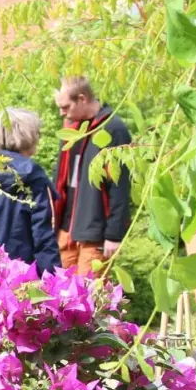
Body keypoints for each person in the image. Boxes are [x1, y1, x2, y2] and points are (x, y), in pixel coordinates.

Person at [52, 76, 132, 275]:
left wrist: (114, 234)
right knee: (59, 295)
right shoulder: (73, 129)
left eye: (65, 107)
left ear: (82, 98)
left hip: (94, 232)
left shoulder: (113, 130)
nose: (62, 112)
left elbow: (120, 186)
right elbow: (62, 181)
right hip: (67, 230)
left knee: (89, 297)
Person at [0, 108, 60, 274]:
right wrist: (54, 281)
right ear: (30, 136)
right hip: (21, 273)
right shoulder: (33, 176)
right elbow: (43, 235)